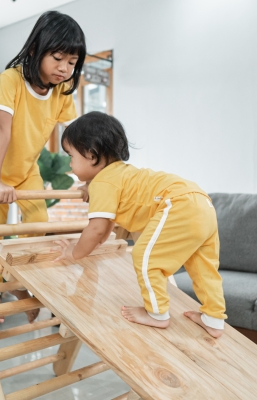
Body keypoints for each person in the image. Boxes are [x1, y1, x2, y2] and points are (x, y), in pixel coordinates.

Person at [54, 112, 227, 338]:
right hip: (202, 202)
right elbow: (105, 226)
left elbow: (96, 229)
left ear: (90, 153)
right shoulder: (119, 175)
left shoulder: (104, 182)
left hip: (178, 204)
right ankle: (213, 318)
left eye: (71, 156)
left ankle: (156, 314)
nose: (70, 163)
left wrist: (73, 252)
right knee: (203, 265)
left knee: (146, 258)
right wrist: (91, 186)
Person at [0, 11, 86, 327]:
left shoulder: (62, 91)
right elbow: (2, 131)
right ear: (35, 50)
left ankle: (25, 288)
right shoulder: (12, 79)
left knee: (37, 225)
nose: (64, 68)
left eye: (72, 62)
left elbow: (73, 137)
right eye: (58, 58)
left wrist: (87, 179)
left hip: (25, 168)